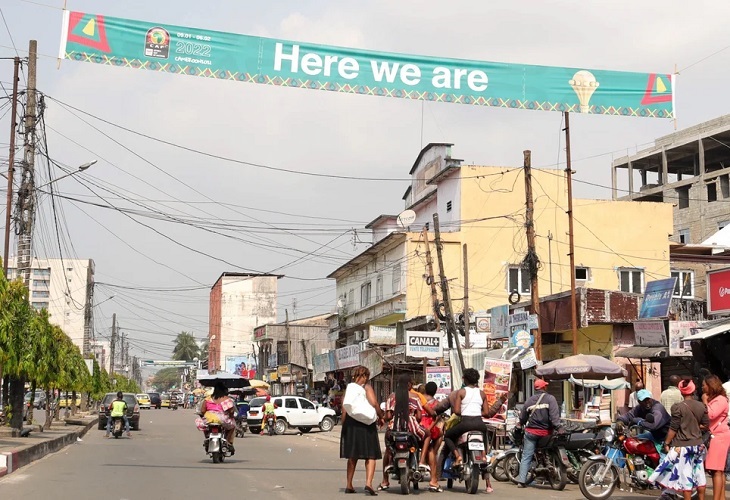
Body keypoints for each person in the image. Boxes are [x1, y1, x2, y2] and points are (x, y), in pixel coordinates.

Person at [649, 379, 708, 500]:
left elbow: (673, 428)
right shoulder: (701, 406)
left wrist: (666, 442)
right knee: (699, 474)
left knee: (686, 478)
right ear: (693, 390)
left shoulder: (678, 407)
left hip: (683, 447)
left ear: (681, 391)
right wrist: (694, 426)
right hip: (698, 445)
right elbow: (706, 424)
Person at [379, 374, 436, 491]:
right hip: (411, 427)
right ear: (409, 384)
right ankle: (421, 461)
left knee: (388, 448)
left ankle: (385, 480)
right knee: (428, 435)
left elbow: (388, 416)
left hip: (394, 428)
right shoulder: (415, 397)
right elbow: (419, 417)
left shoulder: (392, 396)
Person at [340, 366, 384, 496]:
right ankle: (369, 483)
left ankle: (349, 484)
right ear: (365, 376)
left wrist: (344, 426)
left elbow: (344, 409)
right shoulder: (366, 387)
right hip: (365, 425)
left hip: (351, 424)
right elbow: (374, 403)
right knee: (371, 455)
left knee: (352, 456)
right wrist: (381, 417)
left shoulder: (349, 389)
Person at [516, 378, 562, 488]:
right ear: (544, 387)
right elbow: (554, 417)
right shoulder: (551, 399)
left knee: (526, 456)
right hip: (546, 434)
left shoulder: (529, 401)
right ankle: (547, 463)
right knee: (549, 448)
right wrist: (559, 427)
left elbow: (522, 418)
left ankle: (521, 480)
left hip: (531, 433)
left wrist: (519, 424)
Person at [702, 375, 730, 500]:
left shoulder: (720, 399)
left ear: (711, 385)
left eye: (704, 385)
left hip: (719, 436)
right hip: (718, 435)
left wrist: (704, 401)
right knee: (718, 470)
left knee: (716, 470)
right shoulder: (718, 399)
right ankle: (721, 497)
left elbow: (711, 415)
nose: (702, 387)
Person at [196, 382, 236, 454]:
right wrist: (231, 416)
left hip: (208, 419)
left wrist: (204, 415)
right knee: (232, 426)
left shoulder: (208, 399)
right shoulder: (226, 399)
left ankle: (207, 438)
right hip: (222, 418)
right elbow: (231, 411)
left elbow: (202, 410)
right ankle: (227, 441)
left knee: (206, 428)